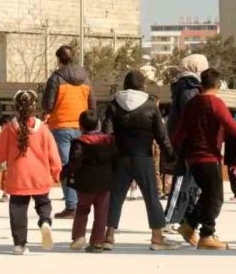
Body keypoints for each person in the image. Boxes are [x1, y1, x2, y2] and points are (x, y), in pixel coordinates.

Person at [178, 69, 236, 250]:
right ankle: (206, 235)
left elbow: (180, 130)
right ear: (218, 85)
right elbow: (233, 126)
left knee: (207, 195)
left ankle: (188, 226)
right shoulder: (215, 103)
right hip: (208, 157)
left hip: (192, 157)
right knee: (216, 198)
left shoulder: (191, 103)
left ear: (201, 84)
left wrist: (172, 149)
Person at [104, 71, 180, 251]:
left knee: (116, 197)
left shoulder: (114, 104)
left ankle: (108, 236)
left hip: (121, 156)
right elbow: (161, 135)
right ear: (142, 86)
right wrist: (170, 154)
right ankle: (157, 237)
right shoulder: (150, 105)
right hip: (143, 157)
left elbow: (107, 133)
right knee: (152, 197)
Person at [0, 90, 62, 255]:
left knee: (18, 210)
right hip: (39, 176)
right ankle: (44, 222)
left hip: (18, 178)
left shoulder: (9, 129)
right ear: (34, 107)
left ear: (16, 107)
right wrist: (57, 172)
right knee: (43, 202)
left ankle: (20, 245)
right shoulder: (43, 129)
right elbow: (53, 153)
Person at [42, 45, 95, 219]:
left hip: (61, 127)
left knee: (65, 167)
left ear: (59, 59)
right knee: (81, 167)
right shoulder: (86, 79)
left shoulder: (56, 78)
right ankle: (83, 204)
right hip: (80, 127)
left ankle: (71, 207)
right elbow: (92, 105)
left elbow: (47, 105)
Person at [164, 54, 207, 231]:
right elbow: (192, 115)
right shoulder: (189, 87)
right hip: (186, 140)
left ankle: (186, 219)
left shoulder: (190, 86)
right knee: (183, 179)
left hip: (189, 139)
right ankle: (169, 218)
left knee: (193, 181)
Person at [65, 110, 118, 253]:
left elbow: (75, 161)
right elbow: (116, 161)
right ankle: (97, 242)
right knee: (101, 213)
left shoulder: (80, 143)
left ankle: (78, 236)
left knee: (82, 209)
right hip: (105, 183)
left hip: (85, 183)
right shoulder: (110, 141)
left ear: (80, 126)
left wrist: (65, 171)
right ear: (99, 124)